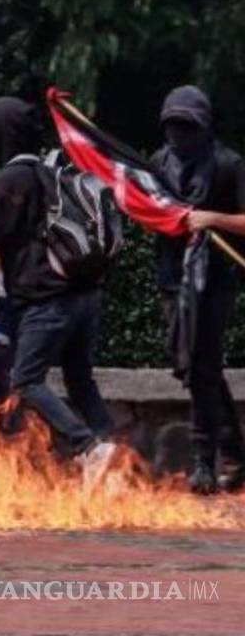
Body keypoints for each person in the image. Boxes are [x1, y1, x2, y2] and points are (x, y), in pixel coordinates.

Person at [0, 96, 118, 489]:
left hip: (47, 301)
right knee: (79, 378)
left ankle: (87, 447)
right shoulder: (54, 169)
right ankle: (110, 447)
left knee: (25, 381)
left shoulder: (11, 180)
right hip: (86, 294)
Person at [151, 86, 245, 494]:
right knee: (195, 368)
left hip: (216, 280)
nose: (179, 135)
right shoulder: (157, 163)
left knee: (203, 366)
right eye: (173, 126)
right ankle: (236, 452)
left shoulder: (228, 164)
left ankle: (205, 461)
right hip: (174, 279)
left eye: (187, 126)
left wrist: (211, 219)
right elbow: (146, 211)